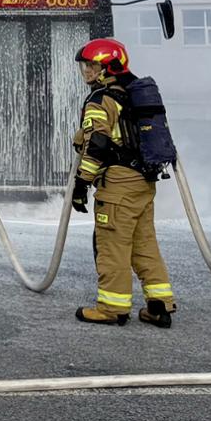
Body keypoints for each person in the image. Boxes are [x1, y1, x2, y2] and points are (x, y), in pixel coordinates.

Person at [71, 38, 175, 328]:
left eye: (92, 66)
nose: (86, 72)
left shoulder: (101, 99)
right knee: (144, 245)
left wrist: (82, 183)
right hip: (143, 182)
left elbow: (98, 145)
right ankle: (159, 306)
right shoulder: (133, 94)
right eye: (85, 66)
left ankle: (111, 308)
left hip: (118, 184)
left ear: (108, 67)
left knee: (113, 245)